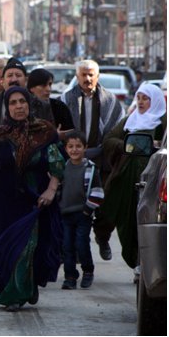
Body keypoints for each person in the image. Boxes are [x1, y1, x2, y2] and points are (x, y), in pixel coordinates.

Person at [0, 86, 65, 311]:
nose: (18, 106)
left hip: (32, 199)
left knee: (25, 248)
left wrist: (51, 189)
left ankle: (16, 293)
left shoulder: (44, 132)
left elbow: (57, 163)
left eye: (22, 102)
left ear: (29, 104)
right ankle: (9, 290)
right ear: (7, 107)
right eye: (13, 103)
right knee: (2, 244)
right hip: (2, 201)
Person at [100, 83, 166, 279]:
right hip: (127, 178)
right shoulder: (130, 120)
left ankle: (145, 262)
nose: (141, 102)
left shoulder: (163, 122)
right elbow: (109, 140)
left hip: (154, 179)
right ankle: (134, 258)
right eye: (139, 98)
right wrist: (127, 145)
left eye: (145, 98)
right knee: (126, 218)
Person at [60, 59, 124, 261]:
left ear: (97, 76)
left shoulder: (110, 100)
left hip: (103, 160)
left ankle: (102, 237)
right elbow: (60, 130)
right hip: (74, 161)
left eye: (91, 75)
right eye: (83, 74)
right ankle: (78, 248)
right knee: (78, 206)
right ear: (77, 76)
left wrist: (99, 150)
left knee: (105, 205)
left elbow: (117, 130)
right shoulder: (66, 99)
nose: (87, 79)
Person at [58, 131, 102, 290]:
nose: (74, 150)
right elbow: (57, 189)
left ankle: (88, 271)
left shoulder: (90, 168)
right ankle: (70, 277)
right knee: (67, 246)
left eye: (78, 146)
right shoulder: (62, 168)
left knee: (81, 244)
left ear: (85, 148)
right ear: (66, 148)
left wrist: (87, 211)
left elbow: (97, 192)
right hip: (65, 215)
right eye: (70, 146)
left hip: (83, 215)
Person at [0, 58, 54, 138]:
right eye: (10, 75)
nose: (14, 79)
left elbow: (49, 136)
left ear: (26, 80)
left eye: (18, 75)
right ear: (2, 80)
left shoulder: (42, 106)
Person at [28, 68, 75, 140]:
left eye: (50, 84)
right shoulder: (24, 108)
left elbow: (71, 133)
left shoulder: (59, 107)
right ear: (32, 88)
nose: (48, 89)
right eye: (43, 85)